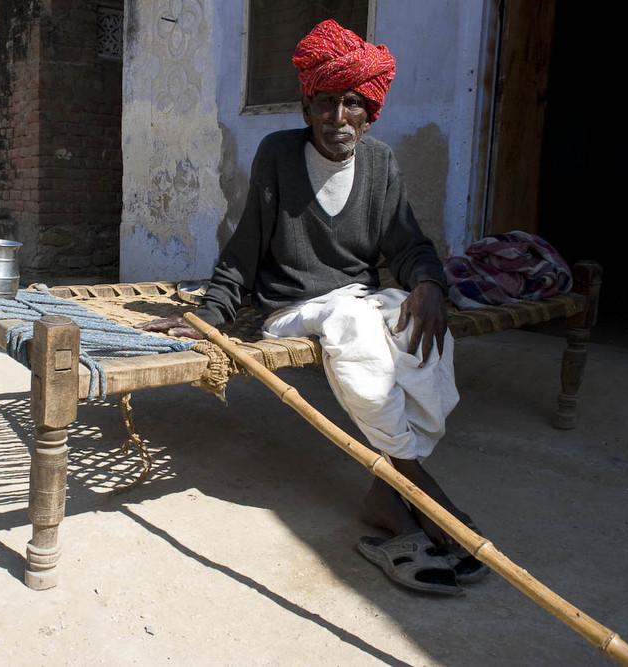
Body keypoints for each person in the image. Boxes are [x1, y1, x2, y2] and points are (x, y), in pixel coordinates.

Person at [139, 19, 487, 595]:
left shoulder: (380, 164)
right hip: (294, 306)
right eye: (326, 103)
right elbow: (243, 249)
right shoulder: (277, 156)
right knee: (352, 324)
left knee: (417, 322)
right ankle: (419, 485)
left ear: (370, 111)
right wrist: (210, 313)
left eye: (353, 103)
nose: (339, 119)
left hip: (356, 297)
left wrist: (427, 283)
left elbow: (408, 244)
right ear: (306, 107)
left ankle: (388, 491)